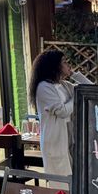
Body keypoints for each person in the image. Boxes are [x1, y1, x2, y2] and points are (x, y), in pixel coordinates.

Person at [28, 49, 92, 178]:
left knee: (74, 179)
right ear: (54, 65)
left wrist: (74, 75)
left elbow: (91, 88)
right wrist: (77, 96)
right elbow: (62, 111)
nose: (69, 65)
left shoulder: (64, 85)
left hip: (70, 135)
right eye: (64, 62)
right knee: (60, 182)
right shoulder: (44, 87)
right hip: (55, 139)